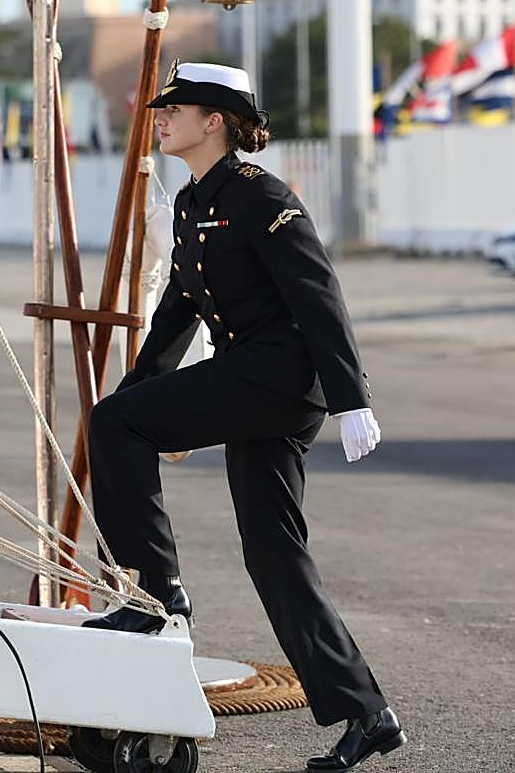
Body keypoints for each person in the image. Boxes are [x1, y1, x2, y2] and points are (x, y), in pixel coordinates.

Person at [83, 61, 405, 771]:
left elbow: (318, 295)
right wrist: (137, 395)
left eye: (176, 109)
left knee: (113, 424)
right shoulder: (193, 203)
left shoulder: (262, 195)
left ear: (215, 122)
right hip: (252, 379)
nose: (161, 118)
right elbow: (176, 313)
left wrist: (352, 399)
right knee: (272, 550)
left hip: (279, 379)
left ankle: (156, 592)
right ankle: (366, 712)